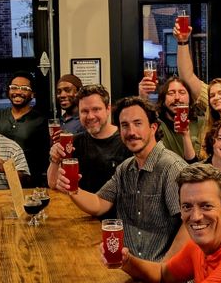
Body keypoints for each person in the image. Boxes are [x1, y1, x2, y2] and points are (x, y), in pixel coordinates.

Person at [53, 97, 188, 262]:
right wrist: (72, 190)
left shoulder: (172, 168)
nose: (131, 132)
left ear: (153, 127)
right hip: (127, 267)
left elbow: (188, 225)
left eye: (138, 123)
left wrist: (164, 268)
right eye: (125, 125)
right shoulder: (125, 168)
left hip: (159, 276)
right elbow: (99, 204)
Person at [46, 84, 130, 194]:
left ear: (108, 109)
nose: (90, 116)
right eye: (84, 111)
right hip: (79, 209)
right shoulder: (74, 142)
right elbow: (52, 183)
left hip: (117, 210)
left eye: (96, 109)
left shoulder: (126, 140)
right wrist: (55, 159)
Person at [0, 72, 49, 187]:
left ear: (32, 94)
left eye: (24, 88)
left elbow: (45, 157)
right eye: (14, 87)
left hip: (28, 183)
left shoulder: (40, 120)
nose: (18, 92)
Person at [140, 75, 203, 162]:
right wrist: (142, 97)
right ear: (163, 99)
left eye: (182, 92)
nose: (177, 98)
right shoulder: (157, 125)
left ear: (190, 98)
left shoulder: (201, 123)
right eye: (171, 93)